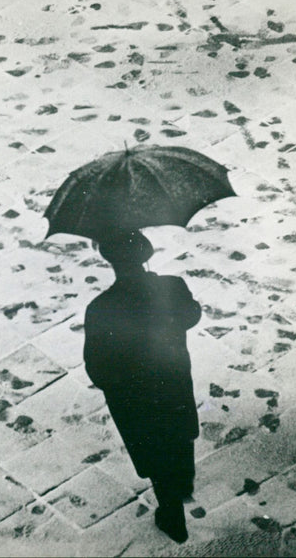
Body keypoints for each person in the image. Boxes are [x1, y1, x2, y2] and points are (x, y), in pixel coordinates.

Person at [83, 230, 201, 544]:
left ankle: (172, 515)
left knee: (155, 451)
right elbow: (191, 315)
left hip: (135, 398)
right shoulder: (172, 286)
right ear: (146, 253)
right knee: (180, 434)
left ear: (108, 259)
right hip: (173, 381)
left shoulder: (101, 308)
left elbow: (97, 367)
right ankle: (184, 482)